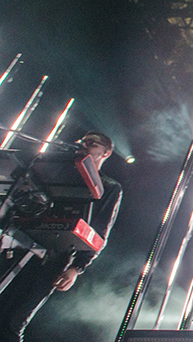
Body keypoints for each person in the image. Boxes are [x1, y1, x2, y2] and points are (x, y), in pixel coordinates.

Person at [0, 131, 122, 342]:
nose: (84, 147)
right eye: (82, 143)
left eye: (92, 144)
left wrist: (77, 268)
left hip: (55, 257)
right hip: (21, 243)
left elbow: (100, 231)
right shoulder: (56, 170)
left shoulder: (110, 187)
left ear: (106, 153)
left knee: (14, 320)